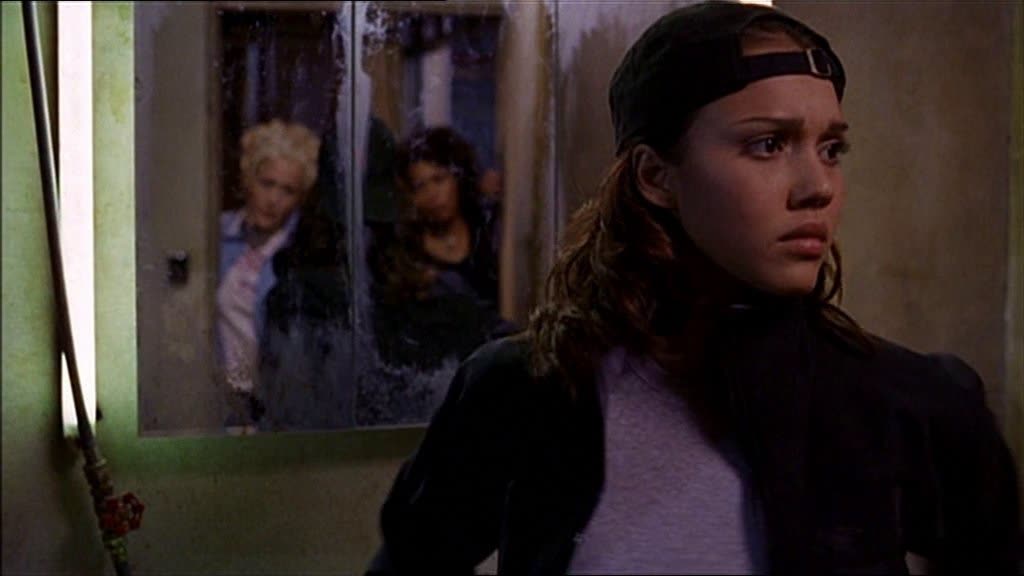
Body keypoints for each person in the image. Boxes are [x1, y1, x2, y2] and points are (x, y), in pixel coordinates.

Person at [367, 2, 1019, 573]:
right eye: (769, 144)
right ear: (656, 176)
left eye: (831, 149)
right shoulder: (522, 391)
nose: (818, 187)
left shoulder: (916, 404)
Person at [217, 119, 350, 431]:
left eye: (288, 190)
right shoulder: (217, 235)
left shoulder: (301, 252)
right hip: (220, 400)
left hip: (273, 405)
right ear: (249, 179)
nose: (274, 199)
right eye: (267, 183)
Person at [369, 125, 513, 372]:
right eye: (420, 186)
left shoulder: (488, 231)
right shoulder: (406, 254)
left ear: (457, 179)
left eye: (439, 179)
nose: (432, 195)